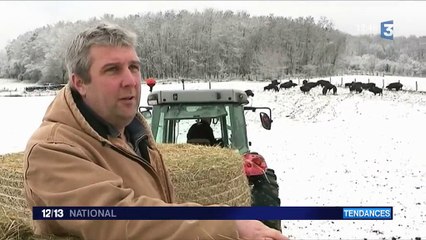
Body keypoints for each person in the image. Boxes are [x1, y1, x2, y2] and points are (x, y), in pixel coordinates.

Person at [22, 23, 288, 240]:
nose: (130, 80)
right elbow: (118, 220)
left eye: (134, 67)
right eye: (113, 70)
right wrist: (227, 224)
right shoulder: (52, 150)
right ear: (80, 82)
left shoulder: (132, 135)